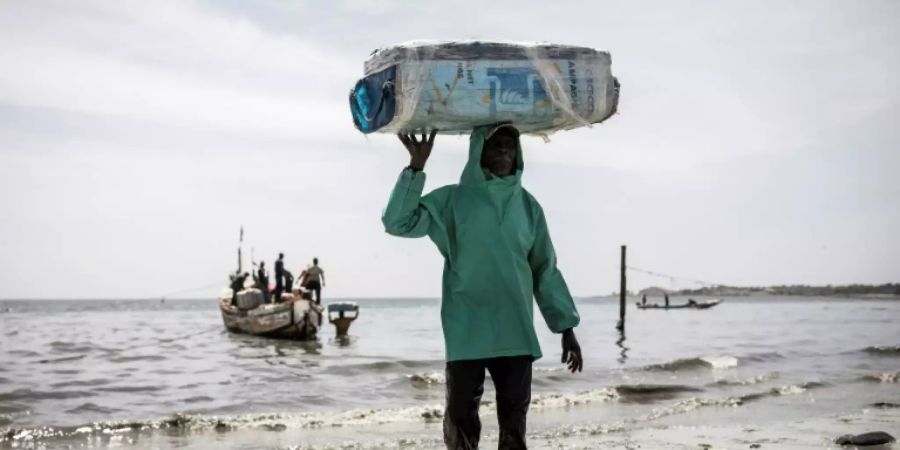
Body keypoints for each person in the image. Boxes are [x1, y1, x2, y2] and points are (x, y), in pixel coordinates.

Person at [383, 125, 583, 449]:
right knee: (460, 426)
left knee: (514, 429)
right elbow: (397, 222)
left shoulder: (529, 207)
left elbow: (545, 269)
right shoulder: (452, 200)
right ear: (478, 152)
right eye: (496, 144)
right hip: (466, 330)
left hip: (515, 331)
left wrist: (566, 328)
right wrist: (416, 168)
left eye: (510, 145)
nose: (504, 150)